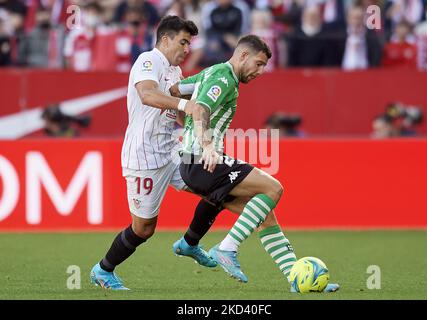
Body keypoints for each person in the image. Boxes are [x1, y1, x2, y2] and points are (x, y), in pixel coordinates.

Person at [170, 35, 339, 293]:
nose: (260, 71)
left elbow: (175, 92)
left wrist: (188, 127)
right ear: (242, 56)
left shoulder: (208, 74)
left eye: (264, 67)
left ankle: (295, 278)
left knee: (264, 215)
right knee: (273, 188)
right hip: (202, 160)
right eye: (258, 64)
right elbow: (202, 108)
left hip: (192, 162)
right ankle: (227, 248)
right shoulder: (223, 77)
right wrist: (204, 144)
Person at [89, 15, 217, 291]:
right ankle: (103, 270)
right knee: (144, 229)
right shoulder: (148, 60)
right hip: (144, 155)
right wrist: (186, 106)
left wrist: (203, 133)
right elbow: (147, 95)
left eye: (189, 44)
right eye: (182, 42)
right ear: (166, 39)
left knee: (215, 185)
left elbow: (179, 113)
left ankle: (190, 243)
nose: (186, 50)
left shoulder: (175, 72)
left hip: (172, 151)